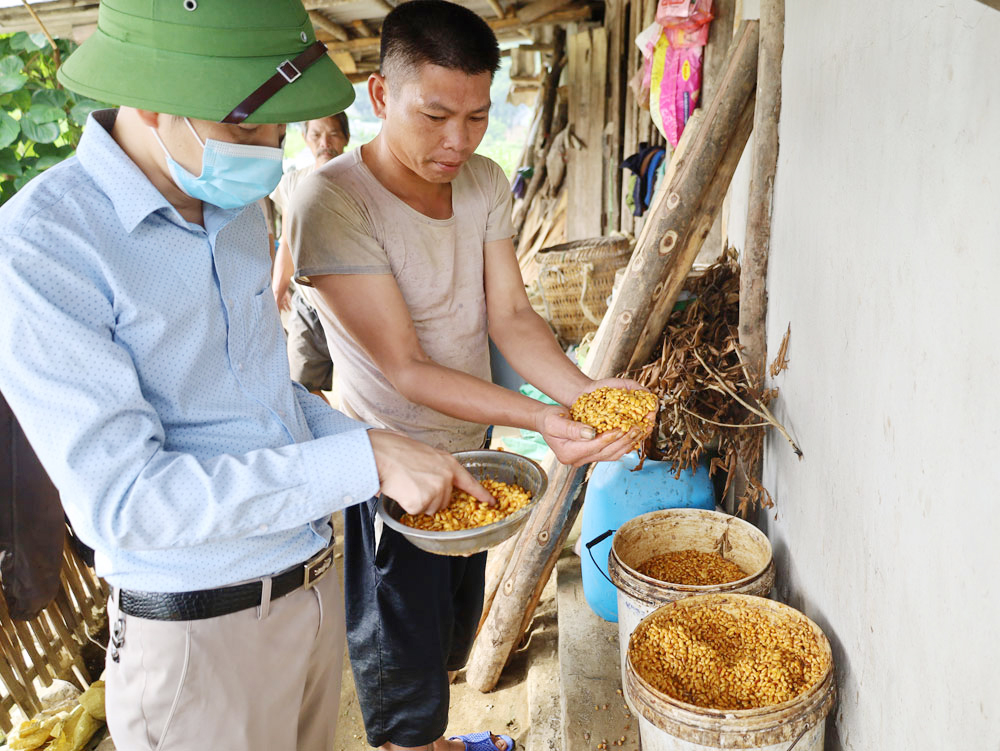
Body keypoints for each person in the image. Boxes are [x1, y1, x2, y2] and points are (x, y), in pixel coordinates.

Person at [0, 2, 492, 750]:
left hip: (307, 594)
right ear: (151, 97)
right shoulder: (44, 248)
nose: (268, 150)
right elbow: (127, 501)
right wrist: (360, 459)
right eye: (243, 127)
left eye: (279, 127)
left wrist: (379, 443)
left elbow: (268, 401)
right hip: (201, 636)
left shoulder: (235, 210)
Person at [288, 3, 653, 750]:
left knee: (448, 643)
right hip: (396, 473)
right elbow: (405, 366)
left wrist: (588, 396)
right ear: (380, 97)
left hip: (473, 454)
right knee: (403, 676)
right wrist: (544, 421)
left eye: (479, 116)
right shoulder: (331, 200)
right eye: (435, 115)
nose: (458, 141)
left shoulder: (485, 183)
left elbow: (512, 316)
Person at [271, 114, 350, 395]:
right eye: (316, 135)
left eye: (333, 134)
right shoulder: (292, 183)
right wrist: (277, 291)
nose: (324, 143)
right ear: (305, 139)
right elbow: (287, 242)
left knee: (362, 388)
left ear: (346, 138)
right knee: (301, 385)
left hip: (354, 302)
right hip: (307, 303)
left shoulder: (361, 182)